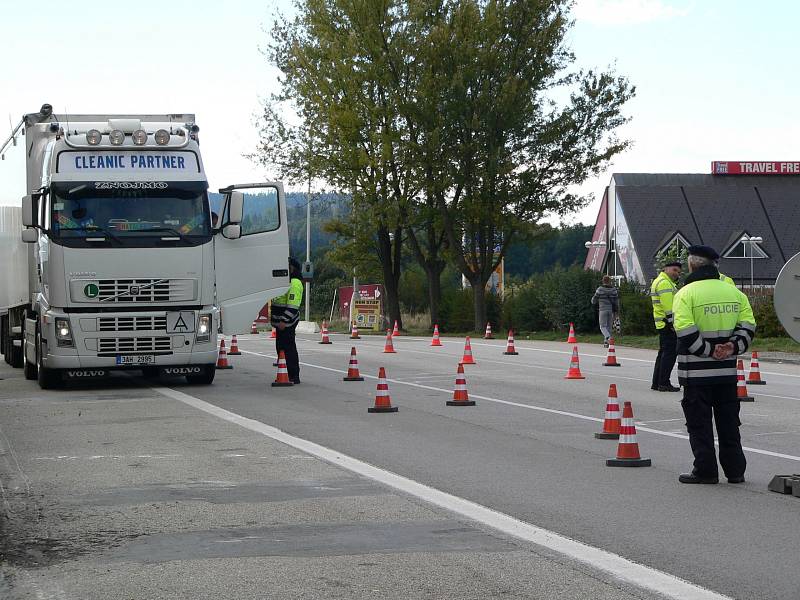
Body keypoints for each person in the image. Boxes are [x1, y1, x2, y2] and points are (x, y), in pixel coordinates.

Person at [673, 245, 756, 484]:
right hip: (726, 373)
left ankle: (706, 471)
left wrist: (709, 351)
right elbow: (748, 325)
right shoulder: (734, 293)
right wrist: (731, 347)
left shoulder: (685, 294)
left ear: (691, 265)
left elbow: (685, 331)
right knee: (729, 422)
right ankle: (735, 471)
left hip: (696, 374)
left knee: (699, 425)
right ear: (714, 265)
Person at [271, 258, 304, 384]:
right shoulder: (286, 281)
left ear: (292, 268)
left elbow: (293, 305)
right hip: (280, 324)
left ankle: (293, 376)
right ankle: (284, 373)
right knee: (281, 348)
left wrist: (284, 320)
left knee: (288, 349)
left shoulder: (294, 283)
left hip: (286, 323)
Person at [650, 261, 682, 392]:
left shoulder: (660, 281)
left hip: (662, 322)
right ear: (665, 269)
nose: (676, 274)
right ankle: (664, 382)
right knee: (669, 354)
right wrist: (672, 323)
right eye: (674, 270)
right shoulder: (664, 283)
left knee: (663, 353)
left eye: (679, 272)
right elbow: (669, 307)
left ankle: (657, 382)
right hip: (667, 323)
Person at [591, 275, 619, 347]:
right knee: (609, 327)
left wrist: (593, 301)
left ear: (603, 281)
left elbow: (594, 300)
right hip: (611, 310)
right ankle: (606, 343)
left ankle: (609, 338)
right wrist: (616, 311)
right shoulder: (614, 290)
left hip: (603, 310)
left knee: (603, 327)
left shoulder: (600, 289)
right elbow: (616, 301)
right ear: (610, 281)